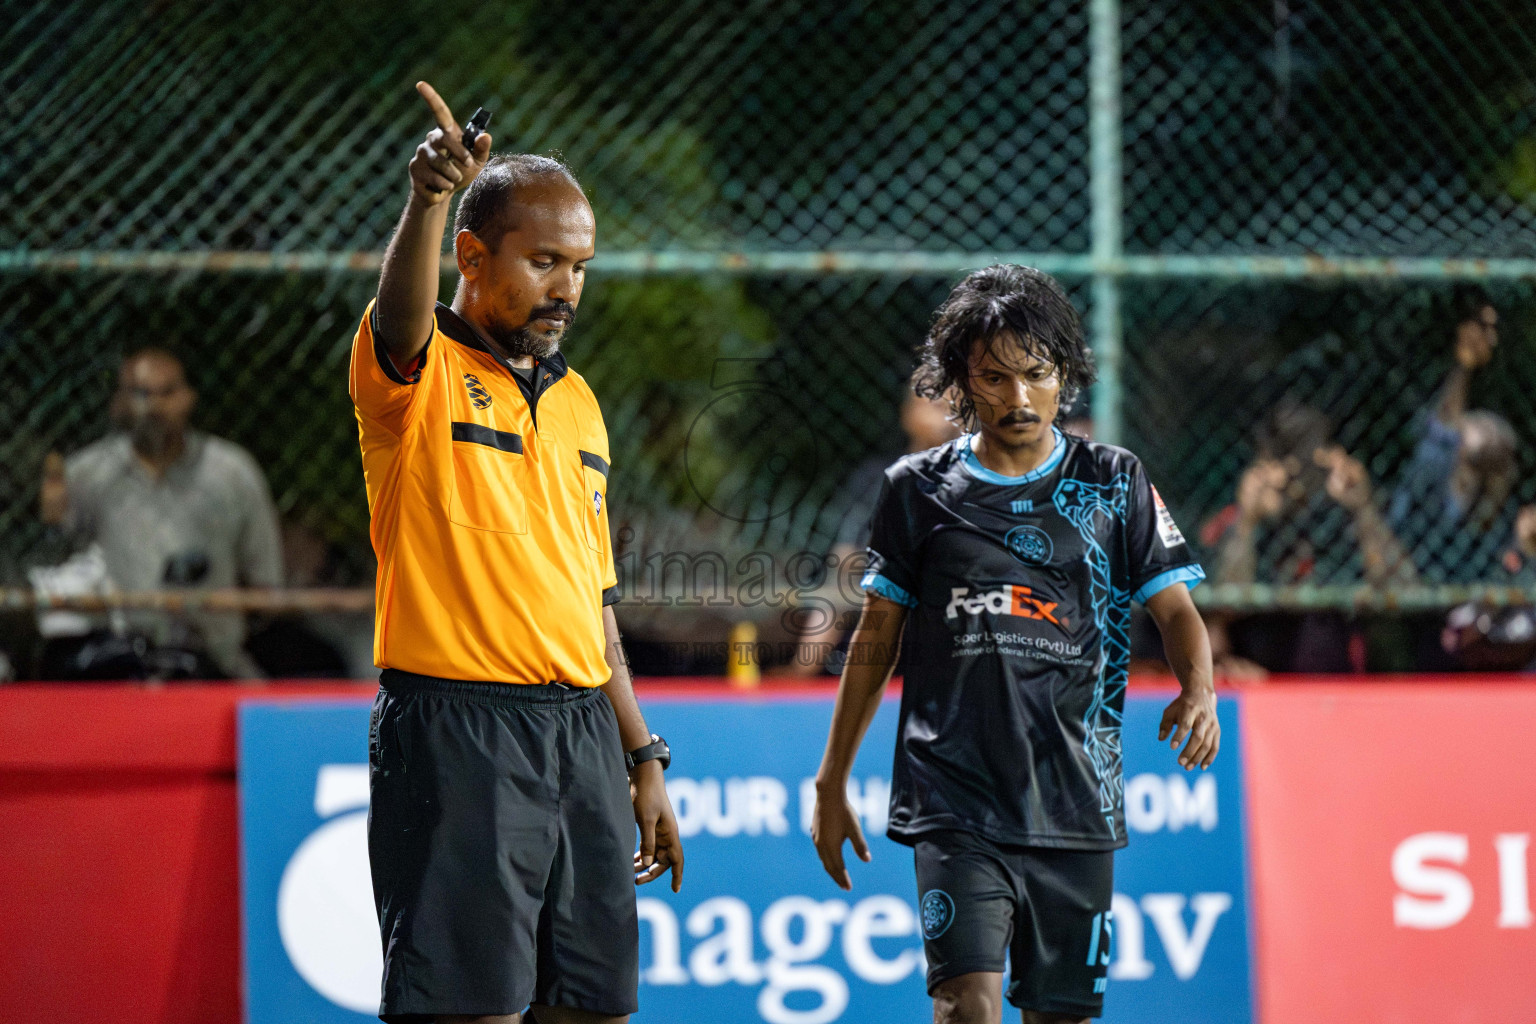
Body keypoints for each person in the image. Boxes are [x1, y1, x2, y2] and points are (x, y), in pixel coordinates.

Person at [352, 83, 681, 1024]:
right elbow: (400, 321)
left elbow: (594, 602)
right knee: (471, 1011)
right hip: (457, 731)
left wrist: (641, 752)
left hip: (581, 736)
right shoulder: (415, 373)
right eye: (543, 262)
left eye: (579, 266)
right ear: (471, 255)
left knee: (593, 1005)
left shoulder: (580, 404)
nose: (566, 287)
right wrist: (426, 201)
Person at [810, 265, 1218, 1023]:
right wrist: (832, 780)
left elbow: (1177, 610)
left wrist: (1200, 687)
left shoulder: (1115, 481)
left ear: (1064, 374)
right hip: (954, 798)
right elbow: (876, 641)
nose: (1018, 397)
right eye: (995, 378)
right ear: (963, 381)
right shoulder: (916, 490)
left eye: (1036, 374)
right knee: (967, 1006)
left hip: (1076, 800)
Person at [38, 347, 282, 678]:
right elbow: (55, 571)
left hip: (213, 660)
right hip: (116, 660)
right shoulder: (87, 473)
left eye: (167, 393)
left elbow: (265, 582)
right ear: (119, 402)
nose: (154, 406)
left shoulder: (231, 473)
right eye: (140, 394)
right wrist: (52, 523)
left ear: (189, 398)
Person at [777, 392, 961, 676]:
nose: (946, 414)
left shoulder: (976, 479)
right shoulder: (878, 477)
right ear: (907, 413)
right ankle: (803, 671)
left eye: (953, 406)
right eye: (934, 404)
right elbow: (844, 558)